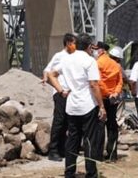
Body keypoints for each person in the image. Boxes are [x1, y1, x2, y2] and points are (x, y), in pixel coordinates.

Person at [48, 33, 106, 178]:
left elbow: (51, 75)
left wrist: (61, 90)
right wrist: (102, 106)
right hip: (87, 106)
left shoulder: (67, 59)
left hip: (72, 106)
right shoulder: (89, 61)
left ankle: (69, 172)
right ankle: (91, 173)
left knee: (72, 140)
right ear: (88, 47)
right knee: (89, 140)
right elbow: (93, 84)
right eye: (92, 47)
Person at [43, 33, 76, 161]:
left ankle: (62, 148)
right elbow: (47, 69)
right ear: (68, 43)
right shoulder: (59, 56)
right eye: (74, 43)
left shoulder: (73, 57)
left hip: (70, 94)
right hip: (60, 93)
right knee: (59, 121)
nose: (75, 46)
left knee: (67, 122)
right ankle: (53, 150)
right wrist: (46, 78)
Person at [96, 41, 123, 161]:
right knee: (112, 125)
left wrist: (106, 93)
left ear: (101, 51)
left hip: (101, 98)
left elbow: (98, 81)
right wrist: (115, 93)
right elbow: (120, 82)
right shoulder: (116, 65)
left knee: (100, 126)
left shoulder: (97, 63)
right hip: (113, 99)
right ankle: (113, 154)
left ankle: (98, 154)